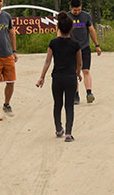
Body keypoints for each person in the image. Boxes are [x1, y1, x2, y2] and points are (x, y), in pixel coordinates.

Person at [35, 12, 83, 142]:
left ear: (58, 28)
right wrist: (78, 73)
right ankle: (68, 133)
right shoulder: (76, 44)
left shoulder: (53, 43)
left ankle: (58, 129)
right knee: (69, 106)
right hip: (70, 78)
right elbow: (80, 62)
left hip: (57, 78)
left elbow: (48, 61)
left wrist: (42, 77)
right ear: (71, 28)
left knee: (58, 104)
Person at [67, 0, 101, 104]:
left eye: (79, 10)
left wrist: (97, 45)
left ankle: (89, 93)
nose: (77, 12)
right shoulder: (67, 17)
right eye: (75, 10)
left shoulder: (86, 16)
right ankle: (75, 95)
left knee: (86, 71)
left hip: (84, 48)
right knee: (74, 73)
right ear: (71, 8)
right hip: (71, 49)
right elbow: (62, 32)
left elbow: (91, 30)